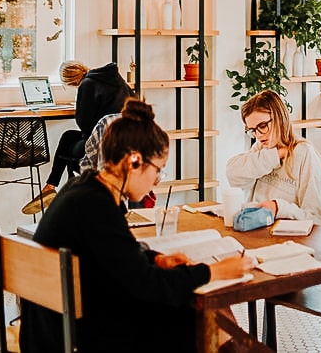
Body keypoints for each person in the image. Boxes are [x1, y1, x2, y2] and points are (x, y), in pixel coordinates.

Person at [19, 99, 252, 353]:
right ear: (134, 161)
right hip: (75, 337)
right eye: (158, 171)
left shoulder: (84, 188)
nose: (155, 183)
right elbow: (146, 284)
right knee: (189, 314)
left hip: (53, 328)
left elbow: (117, 255)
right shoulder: (96, 206)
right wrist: (215, 271)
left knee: (185, 307)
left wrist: (155, 258)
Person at [22, 61, 133, 214]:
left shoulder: (86, 85)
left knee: (69, 145)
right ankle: (51, 187)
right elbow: (134, 100)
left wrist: (80, 106)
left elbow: (83, 123)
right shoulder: (114, 77)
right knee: (68, 136)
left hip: (102, 143)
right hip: (125, 141)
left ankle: (56, 188)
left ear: (69, 80)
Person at [226, 90, 321, 226]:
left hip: (290, 239)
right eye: (253, 130)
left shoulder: (305, 153)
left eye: (262, 126)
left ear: (280, 118)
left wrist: (278, 208)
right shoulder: (262, 148)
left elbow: (317, 219)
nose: (258, 135)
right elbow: (232, 174)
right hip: (259, 232)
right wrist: (275, 155)